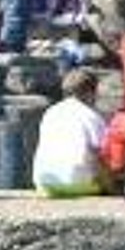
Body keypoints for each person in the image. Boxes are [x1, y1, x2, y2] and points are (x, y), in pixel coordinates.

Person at [32, 68, 113, 197]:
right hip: (75, 184)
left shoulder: (50, 112)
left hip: (43, 184)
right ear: (89, 93)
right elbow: (103, 152)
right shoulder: (90, 115)